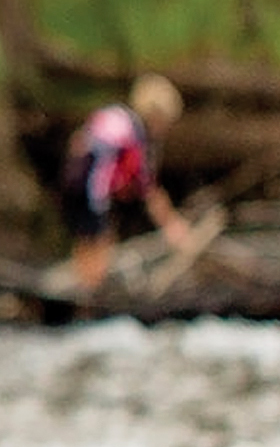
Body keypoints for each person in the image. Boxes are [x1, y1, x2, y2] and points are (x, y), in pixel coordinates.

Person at [59, 72, 194, 291]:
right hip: (91, 190)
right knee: (100, 239)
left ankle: (84, 287)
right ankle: (90, 292)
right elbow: (146, 185)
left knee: (86, 239)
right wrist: (171, 224)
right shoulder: (134, 131)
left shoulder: (116, 116)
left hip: (75, 184)